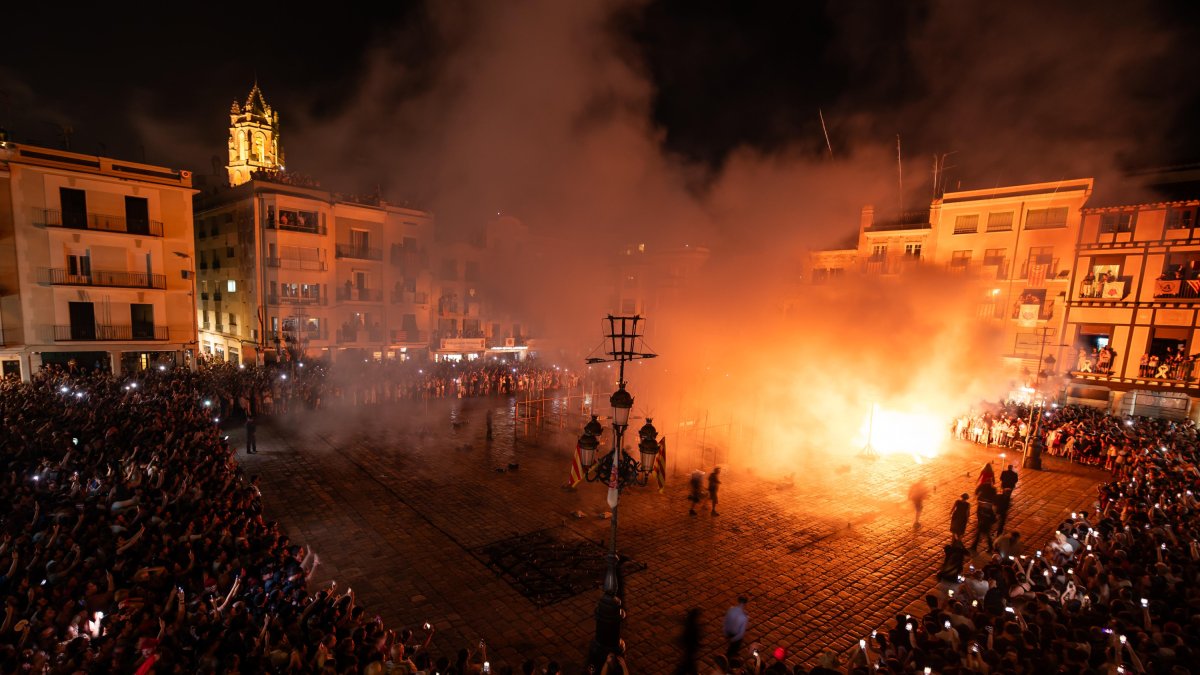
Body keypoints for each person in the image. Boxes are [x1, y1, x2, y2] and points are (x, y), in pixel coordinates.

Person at [723, 596, 749, 661]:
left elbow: (725, 621)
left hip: (728, 632)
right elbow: (741, 634)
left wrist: (725, 632)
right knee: (731, 651)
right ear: (745, 604)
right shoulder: (744, 616)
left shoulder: (730, 610)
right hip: (735, 636)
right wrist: (732, 640)